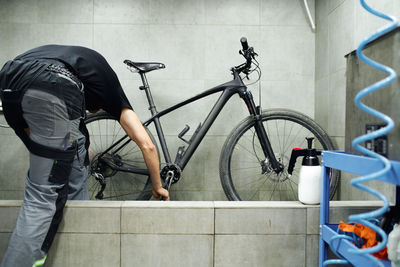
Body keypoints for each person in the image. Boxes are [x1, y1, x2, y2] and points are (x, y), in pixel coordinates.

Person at [0, 45, 169, 267]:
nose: (91, 112)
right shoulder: (111, 89)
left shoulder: (83, 64)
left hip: (9, 80)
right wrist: (158, 186)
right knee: (42, 196)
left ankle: (75, 237)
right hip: (53, 81)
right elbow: (147, 145)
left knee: (73, 145)